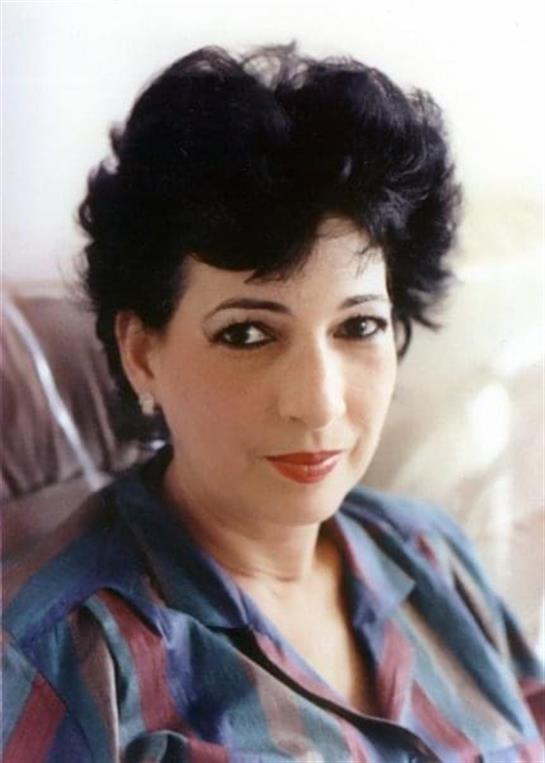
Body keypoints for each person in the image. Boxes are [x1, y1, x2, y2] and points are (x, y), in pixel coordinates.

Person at [2, 45, 543, 762]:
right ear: (141, 352)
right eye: (247, 334)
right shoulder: (58, 660)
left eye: (358, 326)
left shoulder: (431, 552)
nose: (317, 403)